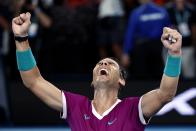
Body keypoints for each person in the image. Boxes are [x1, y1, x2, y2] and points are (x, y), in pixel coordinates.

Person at [12, 12, 182, 131]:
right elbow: (33, 81)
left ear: (121, 80)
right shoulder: (76, 106)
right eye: (100, 63)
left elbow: (165, 94)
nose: (103, 64)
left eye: (110, 64)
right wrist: (21, 39)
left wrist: (174, 54)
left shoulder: (133, 108)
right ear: (92, 81)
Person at [122, 0, 171, 79]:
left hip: (142, 48)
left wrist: (126, 52)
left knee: (141, 78)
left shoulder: (136, 12)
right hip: (158, 47)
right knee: (158, 77)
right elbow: (169, 30)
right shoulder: (162, 11)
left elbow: (130, 33)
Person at [165, 0, 196, 79]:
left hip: (187, 46)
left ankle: (189, 90)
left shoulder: (191, 9)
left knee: (189, 72)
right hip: (172, 47)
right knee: (171, 73)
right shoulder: (168, 9)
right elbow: (166, 28)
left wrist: (193, 44)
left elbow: (194, 28)